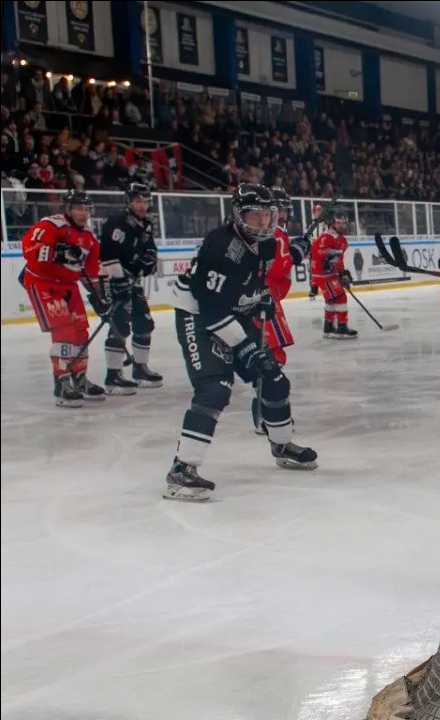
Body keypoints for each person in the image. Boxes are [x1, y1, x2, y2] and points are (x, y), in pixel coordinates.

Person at [163, 183, 318, 502]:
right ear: (238, 215)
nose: (262, 223)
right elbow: (211, 310)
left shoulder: (267, 244)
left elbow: (258, 279)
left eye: (267, 215)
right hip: (198, 316)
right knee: (214, 387)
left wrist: (259, 297)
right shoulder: (221, 248)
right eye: (254, 216)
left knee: (273, 378)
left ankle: (282, 444)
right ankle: (182, 469)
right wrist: (246, 347)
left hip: (231, 312)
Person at [18, 188, 109, 407]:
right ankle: (61, 382)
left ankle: (79, 378)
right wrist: (60, 251)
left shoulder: (89, 237)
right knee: (64, 330)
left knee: (80, 330)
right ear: (68, 209)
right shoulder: (51, 225)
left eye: (86, 208)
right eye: (79, 208)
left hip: (69, 285)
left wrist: (99, 297)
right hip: (43, 282)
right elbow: (30, 250)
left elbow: (90, 272)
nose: (83, 213)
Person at [251, 187, 310, 435]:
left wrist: (294, 249)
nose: (284, 213)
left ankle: (266, 414)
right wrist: (297, 253)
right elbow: (275, 268)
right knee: (270, 359)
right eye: (281, 208)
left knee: (270, 358)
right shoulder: (272, 233)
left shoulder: (275, 232)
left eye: (286, 208)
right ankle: (267, 415)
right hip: (263, 299)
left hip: (264, 298)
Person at [95, 182, 163, 394]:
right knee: (119, 326)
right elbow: (107, 255)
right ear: (129, 201)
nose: (142, 205)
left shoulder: (146, 224)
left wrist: (150, 260)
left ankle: (140, 369)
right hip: (114, 282)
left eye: (145, 201)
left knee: (145, 323)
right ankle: (113, 376)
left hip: (133, 282)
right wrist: (121, 277)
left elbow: (150, 249)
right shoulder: (116, 222)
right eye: (138, 201)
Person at [310, 206, 357, 339]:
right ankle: (342, 327)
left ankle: (329, 327)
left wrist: (343, 274)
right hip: (323, 275)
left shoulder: (342, 241)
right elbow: (317, 253)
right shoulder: (326, 237)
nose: (341, 226)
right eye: (338, 223)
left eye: (343, 223)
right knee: (341, 298)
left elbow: (339, 260)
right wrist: (329, 256)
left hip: (330, 275)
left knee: (331, 300)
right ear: (332, 222)